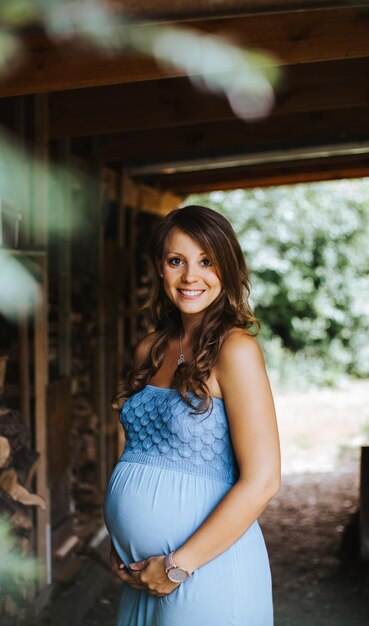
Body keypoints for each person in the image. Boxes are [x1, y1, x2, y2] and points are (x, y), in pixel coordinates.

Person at [103, 205, 281, 626]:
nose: (189, 277)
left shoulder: (235, 351)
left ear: (228, 268)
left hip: (206, 570)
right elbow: (140, 453)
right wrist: (122, 538)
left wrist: (177, 566)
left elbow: (264, 480)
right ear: (159, 268)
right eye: (175, 261)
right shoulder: (150, 349)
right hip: (144, 574)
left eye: (206, 261)